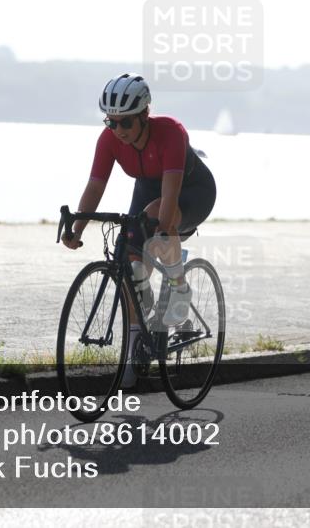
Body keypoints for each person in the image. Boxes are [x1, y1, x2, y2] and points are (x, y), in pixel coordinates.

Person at [61, 73, 217, 385]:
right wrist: (76, 228)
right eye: (111, 122)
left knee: (157, 218)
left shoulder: (170, 132)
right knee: (132, 268)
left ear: (144, 115)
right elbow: (95, 187)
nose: (118, 130)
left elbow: (170, 197)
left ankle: (179, 287)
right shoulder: (109, 140)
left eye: (126, 123)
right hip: (148, 188)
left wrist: (158, 230)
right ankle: (137, 348)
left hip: (191, 190)